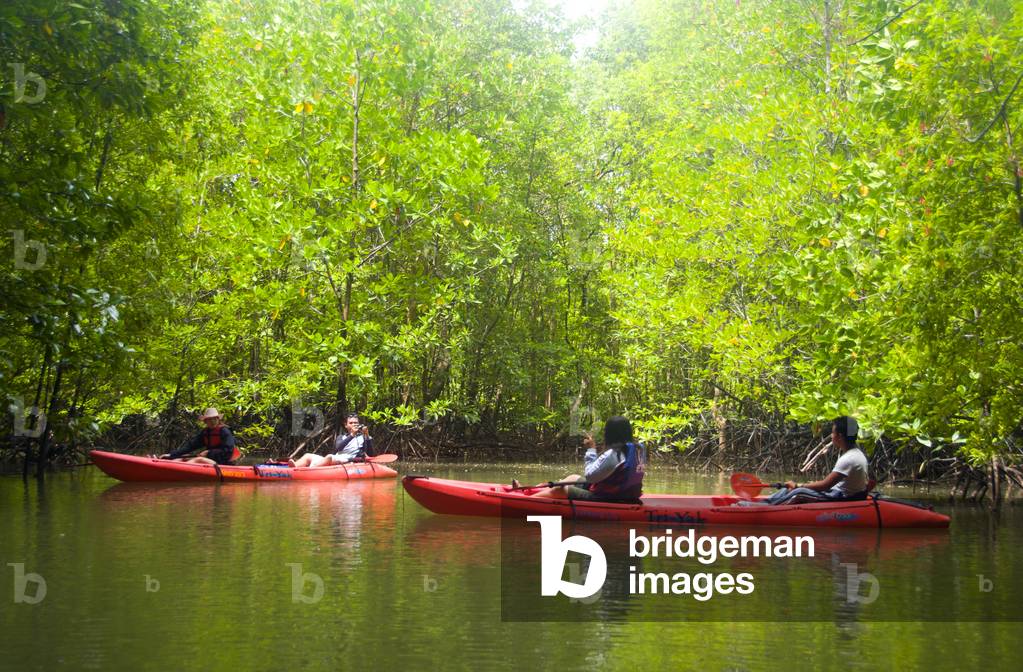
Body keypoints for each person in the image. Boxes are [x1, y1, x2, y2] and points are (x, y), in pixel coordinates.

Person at [521, 415, 645, 502]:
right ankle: (528, 491)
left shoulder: (614, 454)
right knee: (572, 478)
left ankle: (525, 502)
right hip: (626, 494)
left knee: (561, 490)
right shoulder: (638, 448)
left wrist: (591, 449)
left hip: (612, 497)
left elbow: (590, 476)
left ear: (610, 434)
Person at [764, 416, 869, 505]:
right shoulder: (858, 453)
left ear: (840, 436)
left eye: (833, 433)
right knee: (788, 489)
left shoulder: (849, 459)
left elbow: (825, 485)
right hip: (841, 494)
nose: (832, 436)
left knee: (799, 492)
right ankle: (766, 502)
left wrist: (797, 486)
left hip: (839, 497)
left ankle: (765, 507)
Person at [290, 413, 373, 468]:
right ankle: (294, 467)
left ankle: (309, 470)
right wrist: (352, 435)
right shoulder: (341, 437)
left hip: (347, 460)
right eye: (351, 423)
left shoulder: (363, 437)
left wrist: (367, 435)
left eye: (356, 423)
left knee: (329, 457)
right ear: (346, 425)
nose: (354, 424)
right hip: (337, 458)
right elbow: (338, 448)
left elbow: (371, 454)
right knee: (308, 455)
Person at [160, 408, 237, 465]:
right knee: (182, 458)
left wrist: (209, 452)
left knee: (198, 460)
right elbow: (190, 446)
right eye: (209, 419)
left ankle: (175, 470)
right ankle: (164, 464)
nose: (212, 421)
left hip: (223, 462)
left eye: (214, 419)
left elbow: (228, 451)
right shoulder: (205, 432)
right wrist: (171, 455)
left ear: (218, 419)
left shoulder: (225, 432)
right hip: (210, 460)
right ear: (205, 421)